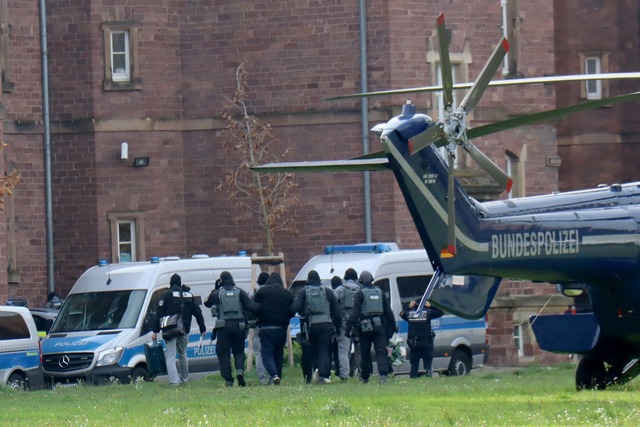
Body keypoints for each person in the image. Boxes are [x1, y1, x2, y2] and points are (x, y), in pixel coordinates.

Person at [204, 271, 259, 387]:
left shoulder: (218, 293)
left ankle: (229, 380)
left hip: (223, 327)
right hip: (239, 326)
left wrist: (215, 289)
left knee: (223, 353)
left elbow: (207, 303)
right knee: (238, 351)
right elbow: (251, 307)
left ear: (221, 281)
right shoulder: (240, 292)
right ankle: (239, 371)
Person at [152, 273, 206, 387]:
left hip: (170, 330)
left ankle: (174, 382)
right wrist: (202, 328)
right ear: (180, 283)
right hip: (184, 330)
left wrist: (155, 331)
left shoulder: (166, 295)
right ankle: (184, 379)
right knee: (182, 353)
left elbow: (159, 314)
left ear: (171, 283)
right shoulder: (189, 295)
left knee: (171, 355)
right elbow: (198, 312)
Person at [290, 270, 342, 384]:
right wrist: (338, 327)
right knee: (323, 349)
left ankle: (307, 376)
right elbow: (337, 312)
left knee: (307, 350)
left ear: (308, 279)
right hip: (326, 324)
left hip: (309, 326)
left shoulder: (303, 292)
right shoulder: (328, 292)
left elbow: (295, 308)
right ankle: (323, 375)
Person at [347, 270, 396, 384]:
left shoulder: (360, 294)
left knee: (365, 353)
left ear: (361, 281)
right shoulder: (380, 293)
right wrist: (393, 328)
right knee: (381, 352)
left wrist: (348, 329)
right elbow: (388, 312)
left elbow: (354, 314)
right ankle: (383, 375)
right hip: (380, 326)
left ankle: (365, 377)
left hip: (364, 328)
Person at [253, 272, 294, 385]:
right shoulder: (287, 294)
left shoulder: (262, 292)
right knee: (278, 353)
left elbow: (254, 307)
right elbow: (292, 310)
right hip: (281, 329)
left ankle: (274, 375)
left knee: (266, 354)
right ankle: (277, 377)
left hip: (266, 327)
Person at [400, 299, 443, 378]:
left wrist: (408, 307)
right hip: (426, 342)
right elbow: (440, 312)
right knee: (428, 363)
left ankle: (413, 377)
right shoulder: (428, 312)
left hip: (414, 343)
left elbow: (402, 314)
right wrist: (431, 306)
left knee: (414, 364)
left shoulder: (410, 313)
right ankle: (428, 374)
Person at [332, 268, 360, 381]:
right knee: (360, 348)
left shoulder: (340, 289)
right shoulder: (360, 289)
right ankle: (362, 373)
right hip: (357, 321)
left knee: (343, 349)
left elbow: (332, 304)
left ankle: (344, 375)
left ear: (345, 277)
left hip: (344, 322)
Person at [249, 271, 271, 385]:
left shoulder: (254, 293)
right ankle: (272, 376)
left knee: (258, 353)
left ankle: (262, 379)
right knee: (270, 353)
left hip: (258, 326)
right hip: (270, 325)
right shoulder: (272, 293)